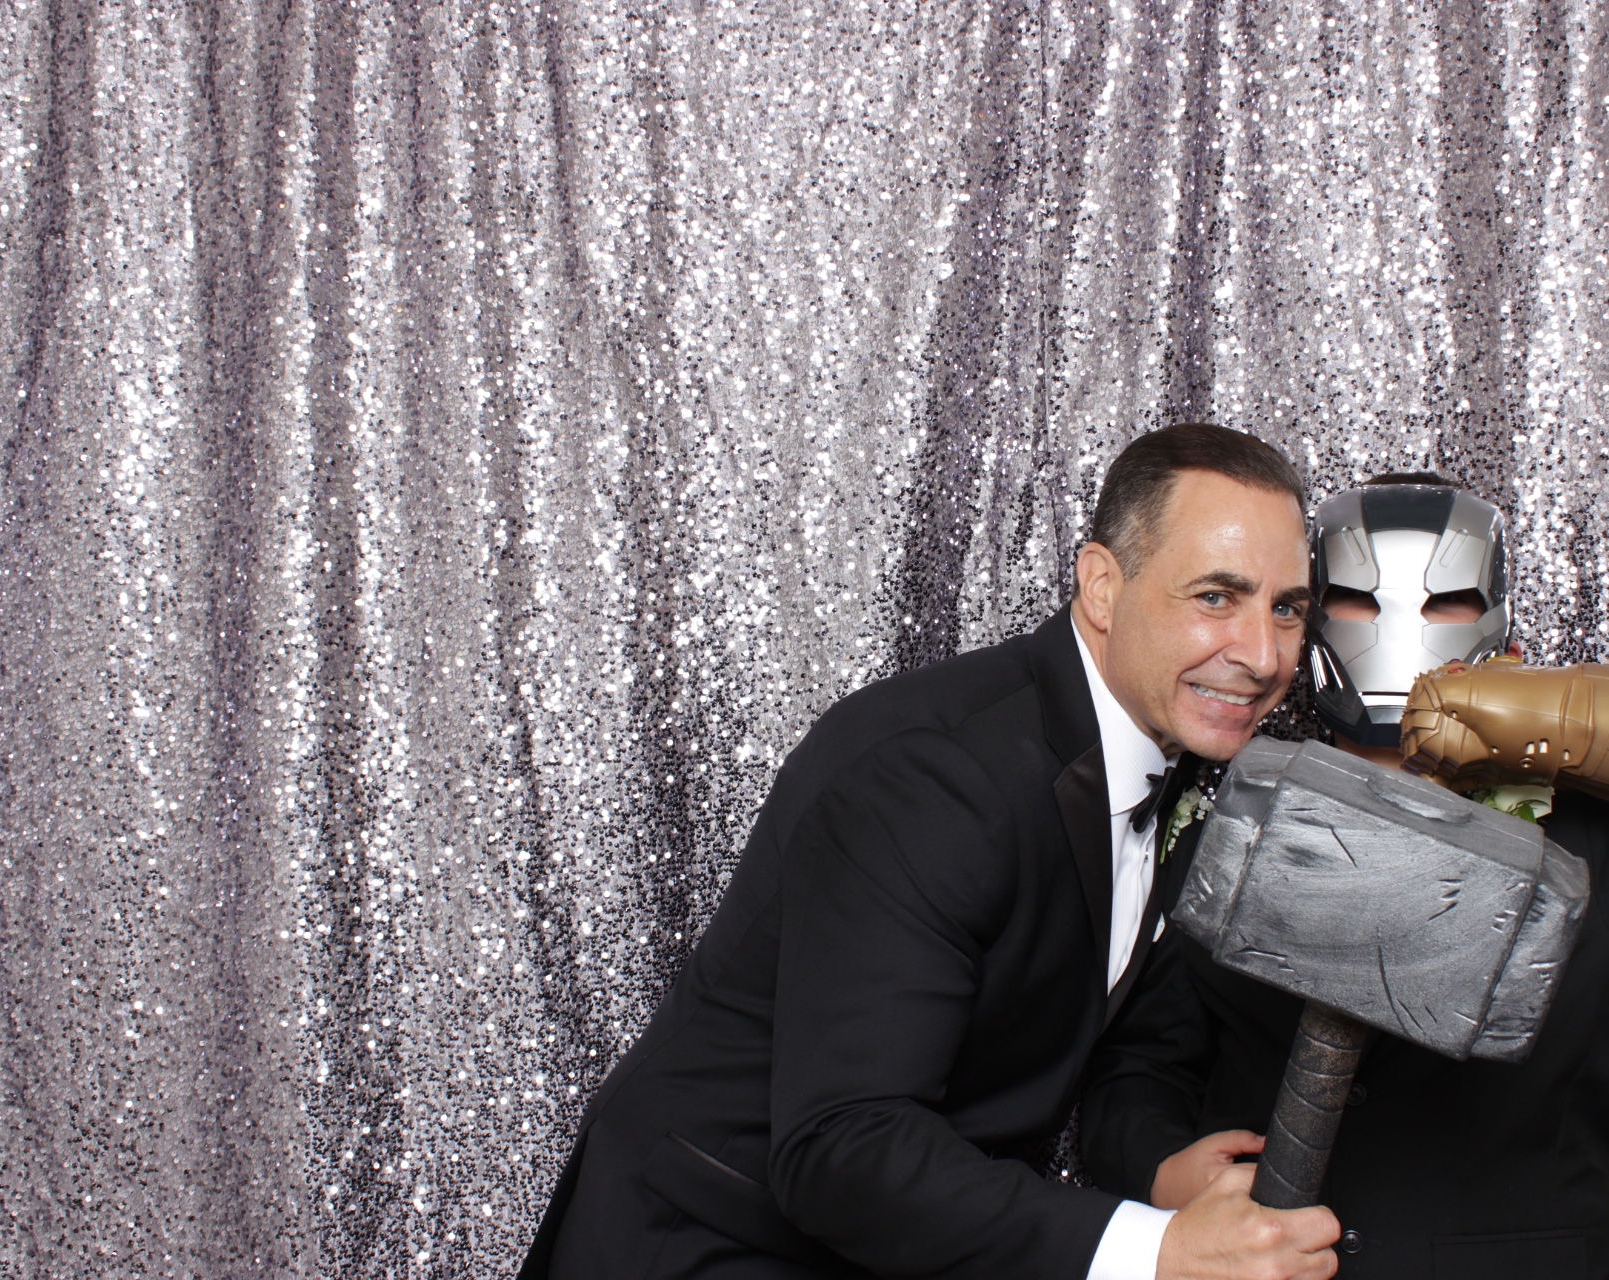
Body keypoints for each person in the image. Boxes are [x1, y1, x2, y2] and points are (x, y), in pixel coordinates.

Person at [519, 424, 1344, 1279]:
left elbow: (1107, 1035)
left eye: (1287, 608)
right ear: (1103, 588)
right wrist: (1155, 1251)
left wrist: (1160, 1169)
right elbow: (840, 1148)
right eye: (1216, 597)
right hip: (713, 1241)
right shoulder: (934, 774)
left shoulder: (1175, 746)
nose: (1262, 656)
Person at [1080, 474, 1609, 1280]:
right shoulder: (1231, 813)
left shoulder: (1599, 848)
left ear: (1497, 622)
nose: (1400, 625)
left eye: (1446, 602)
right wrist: (1159, 1167)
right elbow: (1139, 1068)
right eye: (1357, 599)